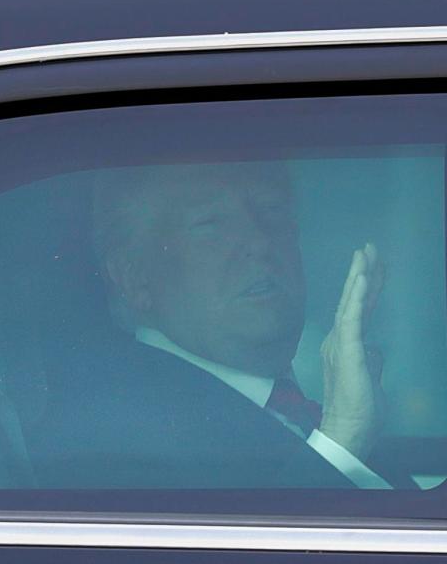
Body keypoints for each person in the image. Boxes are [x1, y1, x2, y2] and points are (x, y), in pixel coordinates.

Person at [33, 163, 391, 488]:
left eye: (272, 212)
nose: (259, 241)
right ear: (135, 277)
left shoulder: (300, 411)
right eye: (210, 223)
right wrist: (343, 436)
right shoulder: (106, 437)